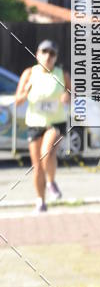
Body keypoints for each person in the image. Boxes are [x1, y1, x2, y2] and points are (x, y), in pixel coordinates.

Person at [14, 40, 71, 213]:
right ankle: (40, 201)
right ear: (38, 55)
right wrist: (26, 91)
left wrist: (67, 97)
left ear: (56, 57)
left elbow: (71, 93)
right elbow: (17, 101)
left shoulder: (61, 74)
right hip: (35, 123)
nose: (48, 56)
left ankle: (51, 182)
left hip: (55, 122)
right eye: (44, 52)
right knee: (37, 166)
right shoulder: (29, 73)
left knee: (47, 152)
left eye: (52, 53)